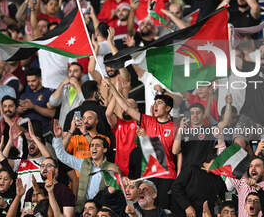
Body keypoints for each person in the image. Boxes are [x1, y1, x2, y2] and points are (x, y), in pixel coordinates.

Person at [105, 78, 176, 209]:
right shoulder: (147, 121)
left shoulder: (174, 127)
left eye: (159, 103)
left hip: (167, 174)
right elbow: (125, 106)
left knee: (164, 209)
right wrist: (113, 88)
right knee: (148, 209)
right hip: (149, 175)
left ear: (168, 108)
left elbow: (178, 153)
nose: (155, 105)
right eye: (155, 103)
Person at [52, 126, 118, 214]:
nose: (93, 148)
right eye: (91, 145)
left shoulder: (112, 168)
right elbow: (61, 156)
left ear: (105, 149)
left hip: (101, 211)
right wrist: (58, 138)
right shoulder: (83, 163)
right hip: (83, 211)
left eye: (97, 145)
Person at [18, 67, 54, 133]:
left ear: (40, 79)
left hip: (44, 133)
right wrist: (20, 110)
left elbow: (52, 114)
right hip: (26, 133)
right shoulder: (24, 96)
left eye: (33, 81)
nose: (30, 84)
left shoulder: (48, 93)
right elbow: (17, 113)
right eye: (28, 81)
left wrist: (33, 107)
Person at [48, 62, 85, 127]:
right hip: (63, 126)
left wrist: (76, 85)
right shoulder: (64, 88)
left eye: (75, 71)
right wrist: (62, 84)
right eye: (70, 71)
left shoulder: (85, 88)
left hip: (78, 127)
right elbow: (52, 103)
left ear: (82, 74)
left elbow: (85, 103)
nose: (72, 74)